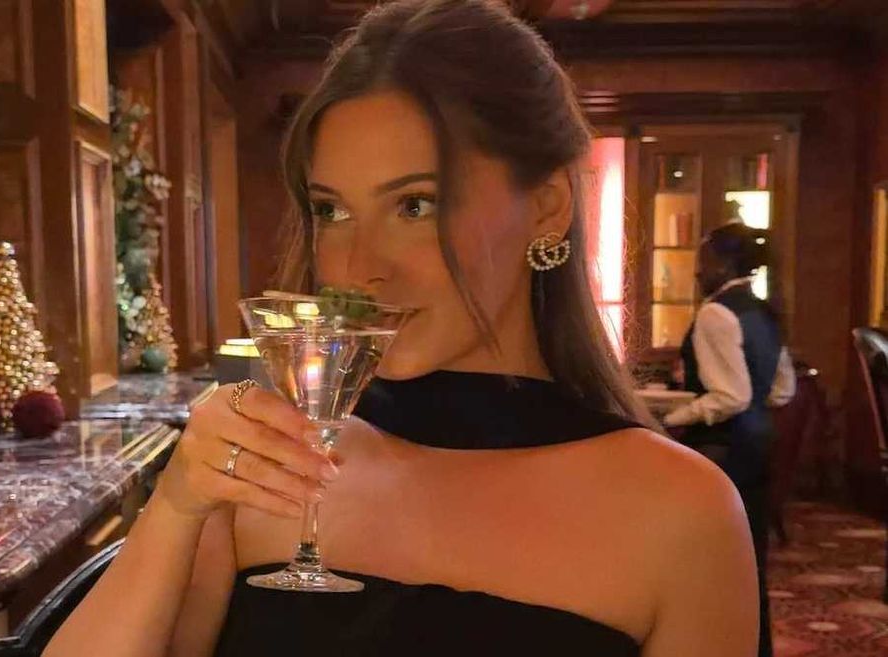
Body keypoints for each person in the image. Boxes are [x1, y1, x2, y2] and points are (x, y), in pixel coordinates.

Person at [44, 2, 758, 655]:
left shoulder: (682, 515)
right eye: (333, 210)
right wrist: (174, 507)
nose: (357, 270)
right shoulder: (268, 470)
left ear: (546, 206)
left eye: (415, 205)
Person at [664, 221, 796, 657]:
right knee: (747, 561)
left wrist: (673, 419)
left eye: (703, 261)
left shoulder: (716, 312)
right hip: (758, 446)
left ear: (722, 262)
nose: (698, 272)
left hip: (723, 451)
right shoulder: (762, 311)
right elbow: (781, 390)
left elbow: (730, 396)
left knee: (711, 565)